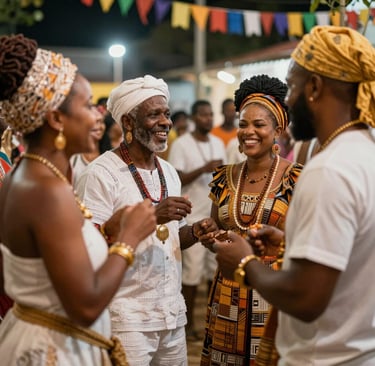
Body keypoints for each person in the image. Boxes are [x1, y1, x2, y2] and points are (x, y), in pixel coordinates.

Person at [213, 25, 375, 365]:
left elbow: (306, 298)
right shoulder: (365, 154)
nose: (288, 99)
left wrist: (245, 264)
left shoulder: (328, 169)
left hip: (325, 357)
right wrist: (288, 244)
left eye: (294, 85)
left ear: (314, 87)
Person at [0, 34, 158, 364]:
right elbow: (86, 306)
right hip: (52, 349)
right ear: (56, 119)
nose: (98, 116)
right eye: (87, 106)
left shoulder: (25, 175)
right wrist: (128, 239)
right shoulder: (47, 191)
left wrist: (109, 230)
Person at [75, 75, 218, 365]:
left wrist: (197, 232)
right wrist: (154, 215)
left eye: (166, 113)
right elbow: (87, 247)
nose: (165, 122)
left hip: (171, 314)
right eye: (154, 115)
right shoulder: (101, 174)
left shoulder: (169, 172)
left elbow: (172, 238)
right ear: (128, 122)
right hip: (126, 317)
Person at [201, 75, 303, 366]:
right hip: (227, 294)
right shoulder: (224, 176)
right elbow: (218, 234)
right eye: (243, 124)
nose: (249, 132)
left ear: (278, 130)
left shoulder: (296, 178)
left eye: (259, 125)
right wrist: (212, 237)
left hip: (273, 292)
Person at [168, 100, 226, 341]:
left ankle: (213, 323)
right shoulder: (182, 144)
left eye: (211, 114)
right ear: (194, 117)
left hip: (215, 217)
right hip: (192, 218)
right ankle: (188, 323)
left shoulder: (218, 143)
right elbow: (176, 178)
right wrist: (204, 168)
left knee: (216, 271)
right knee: (191, 275)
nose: (208, 118)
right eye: (203, 114)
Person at [70, 106, 109, 185]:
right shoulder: (73, 159)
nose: (98, 126)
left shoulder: (110, 155)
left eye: (101, 121)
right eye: (94, 122)